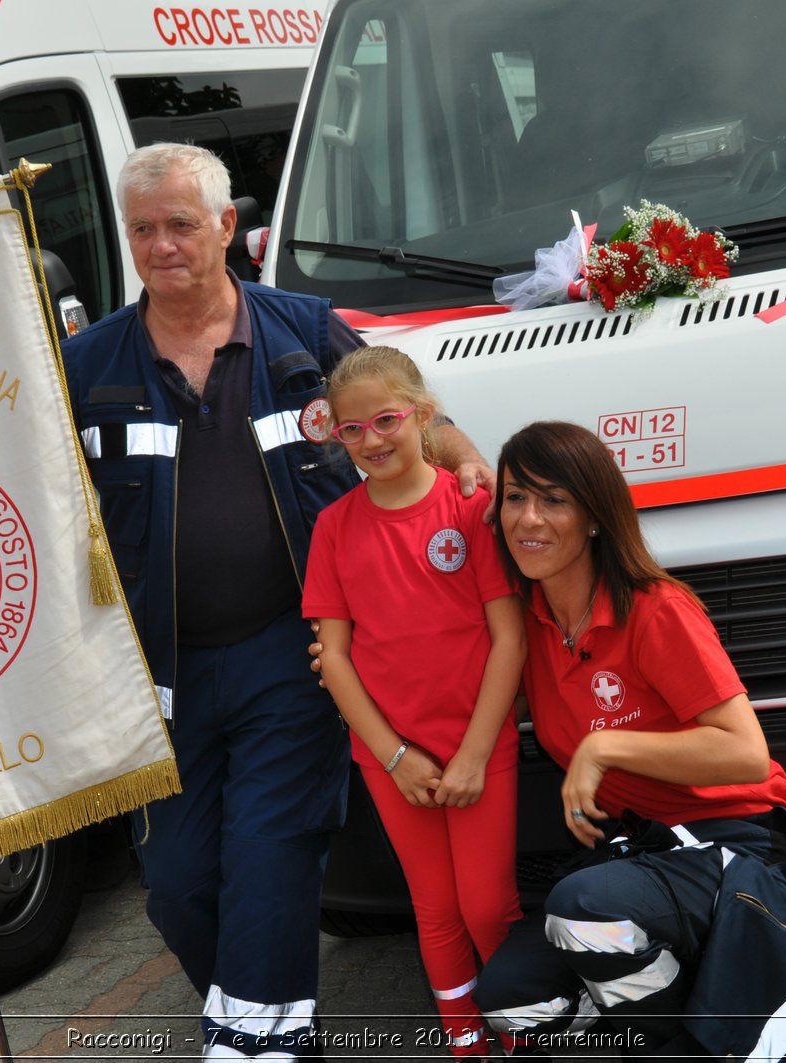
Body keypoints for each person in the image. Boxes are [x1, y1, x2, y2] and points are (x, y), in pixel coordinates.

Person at [59, 143, 492, 1060]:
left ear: (226, 227)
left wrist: (467, 462)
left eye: (181, 224)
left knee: (270, 860)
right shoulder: (87, 362)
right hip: (161, 673)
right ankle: (264, 1020)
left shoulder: (301, 332)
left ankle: (260, 1046)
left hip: (287, 658)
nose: (162, 245)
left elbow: (412, 408)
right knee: (177, 885)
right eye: (143, 229)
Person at [475, 420, 786, 1061]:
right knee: (513, 1004)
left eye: (554, 499)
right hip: (641, 858)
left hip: (745, 841)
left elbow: (744, 753)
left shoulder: (655, 608)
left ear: (595, 516)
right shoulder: (527, 624)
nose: (528, 518)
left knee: (583, 910)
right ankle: (693, 1006)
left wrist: (604, 747)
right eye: (514, 497)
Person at [301, 347, 526, 1059]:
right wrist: (395, 756)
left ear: (423, 415)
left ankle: (525, 1026)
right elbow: (332, 657)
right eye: (352, 430)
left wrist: (474, 753)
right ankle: (465, 1039)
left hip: (478, 749)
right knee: (434, 907)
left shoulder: (469, 508)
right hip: (392, 760)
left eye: (387, 420)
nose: (371, 440)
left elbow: (509, 638)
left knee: (487, 906)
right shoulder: (334, 527)